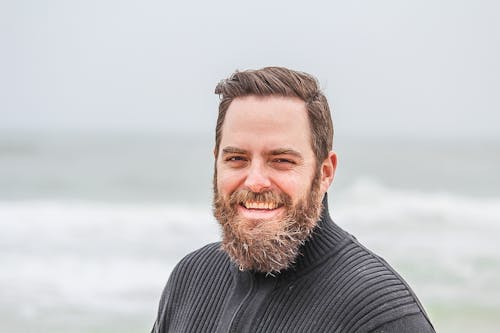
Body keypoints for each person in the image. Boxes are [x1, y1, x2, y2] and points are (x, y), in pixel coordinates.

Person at [151, 67, 435, 332]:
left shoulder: (380, 313)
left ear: (325, 173)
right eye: (237, 159)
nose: (255, 181)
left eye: (282, 160)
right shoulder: (190, 279)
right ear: (217, 163)